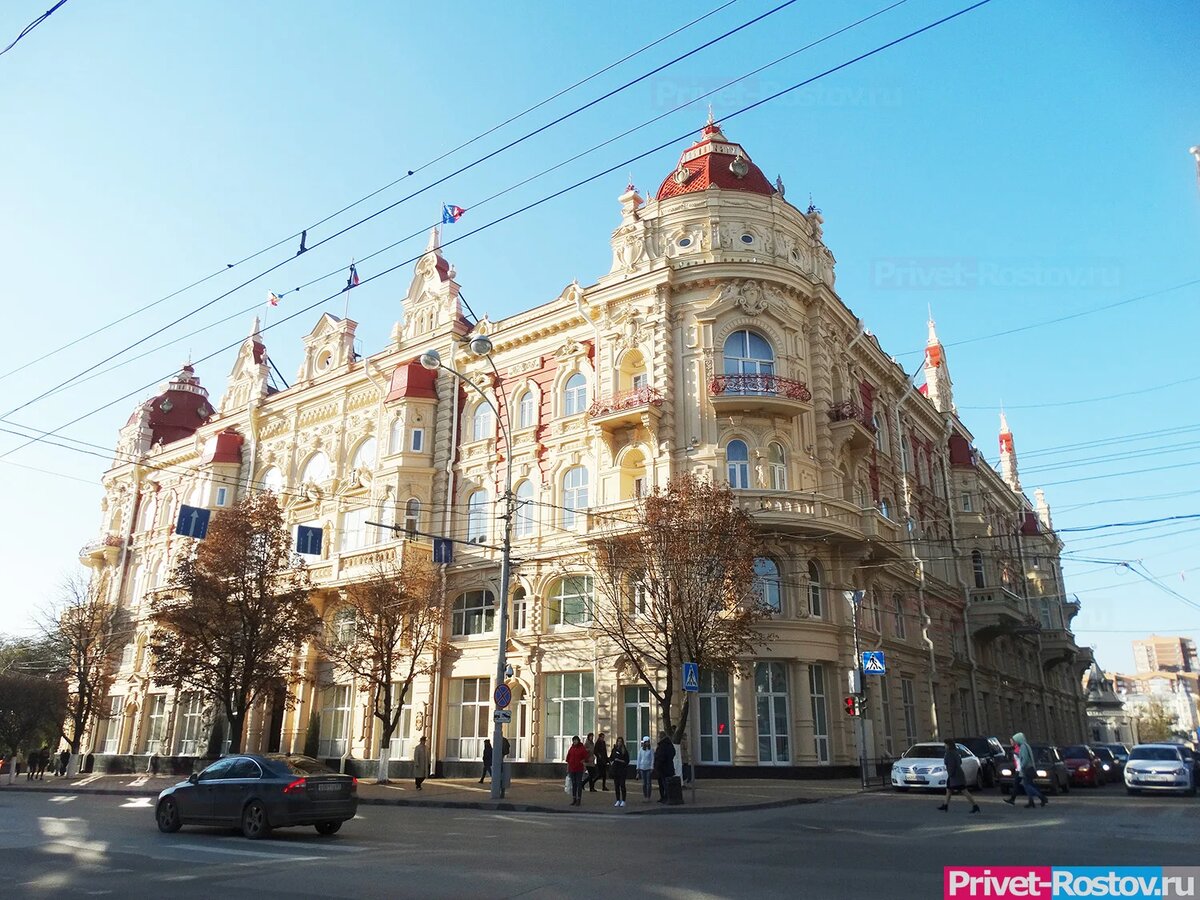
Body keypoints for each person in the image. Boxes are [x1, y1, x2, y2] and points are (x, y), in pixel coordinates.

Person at [937, 738, 980, 814]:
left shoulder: (949, 753)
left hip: (954, 776)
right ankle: (945, 804)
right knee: (949, 789)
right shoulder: (955, 752)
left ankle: (975, 805)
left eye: (945, 744)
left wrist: (950, 773)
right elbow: (959, 762)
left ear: (948, 745)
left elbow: (951, 765)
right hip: (957, 774)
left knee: (964, 790)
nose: (944, 746)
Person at [1005, 732, 1047, 808]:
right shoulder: (1025, 745)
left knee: (1027, 785)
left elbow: (1024, 759)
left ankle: (1042, 797)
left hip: (1026, 769)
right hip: (1028, 768)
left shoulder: (1023, 747)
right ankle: (1032, 801)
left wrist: (1022, 767)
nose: (1015, 741)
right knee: (1027, 785)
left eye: (1015, 740)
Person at [565, 735, 588, 807]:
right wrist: (568, 768)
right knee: (574, 784)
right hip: (572, 768)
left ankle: (579, 799)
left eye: (576, 740)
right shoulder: (572, 748)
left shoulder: (582, 748)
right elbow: (568, 758)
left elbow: (586, 756)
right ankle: (574, 799)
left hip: (579, 769)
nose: (575, 742)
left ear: (578, 741)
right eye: (574, 740)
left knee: (579, 784)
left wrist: (583, 761)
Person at [654, 732, 676, 803]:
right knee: (666, 784)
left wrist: (657, 765)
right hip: (669, 767)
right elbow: (673, 753)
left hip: (662, 768)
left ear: (661, 737)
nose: (658, 738)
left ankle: (665, 797)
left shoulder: (662, 746)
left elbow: (660, 757)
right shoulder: (670, 744)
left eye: (659, 737)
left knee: (663, 784)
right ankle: (666, 797)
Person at [609, 736, 630, 807]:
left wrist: (619, 760)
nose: (619, 743)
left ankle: (623, 800)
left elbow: (627, 761)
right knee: (616, 786)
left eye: (620, 741)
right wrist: (611, 762)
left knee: (622, 785)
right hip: (615, 770)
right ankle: (618, 800)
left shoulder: (624, 751)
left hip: (622, 770)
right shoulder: (614, 750)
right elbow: (611, 758)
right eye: (618, 741)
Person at [637, 736, 654, 801]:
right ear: (644, 743)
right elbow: (639, 759)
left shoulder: (651, 749)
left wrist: (652, 767)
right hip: (642, 768)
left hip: (648, 768)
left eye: (648, 742)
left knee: (648, 783)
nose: (647, 743)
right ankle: (645, 796)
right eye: (646, 742)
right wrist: (638, 768)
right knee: (644, 783)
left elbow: (652, 759)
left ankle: (648, 797)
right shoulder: (641, 750)